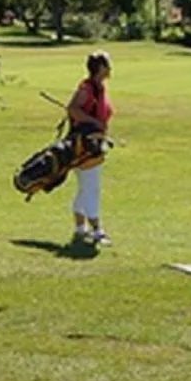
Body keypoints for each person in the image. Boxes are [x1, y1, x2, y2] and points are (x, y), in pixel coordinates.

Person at [66, 51, 113, 245]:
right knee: (91, 188)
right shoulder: (87, 89)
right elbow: (73, 109)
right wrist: (94, 122)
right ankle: (96, 230)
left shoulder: (98, 88)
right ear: (100, 67)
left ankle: (80, 227)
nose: (110, 68)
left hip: (93, 144)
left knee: (85, 188)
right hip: (85, 146)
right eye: (108, 64)